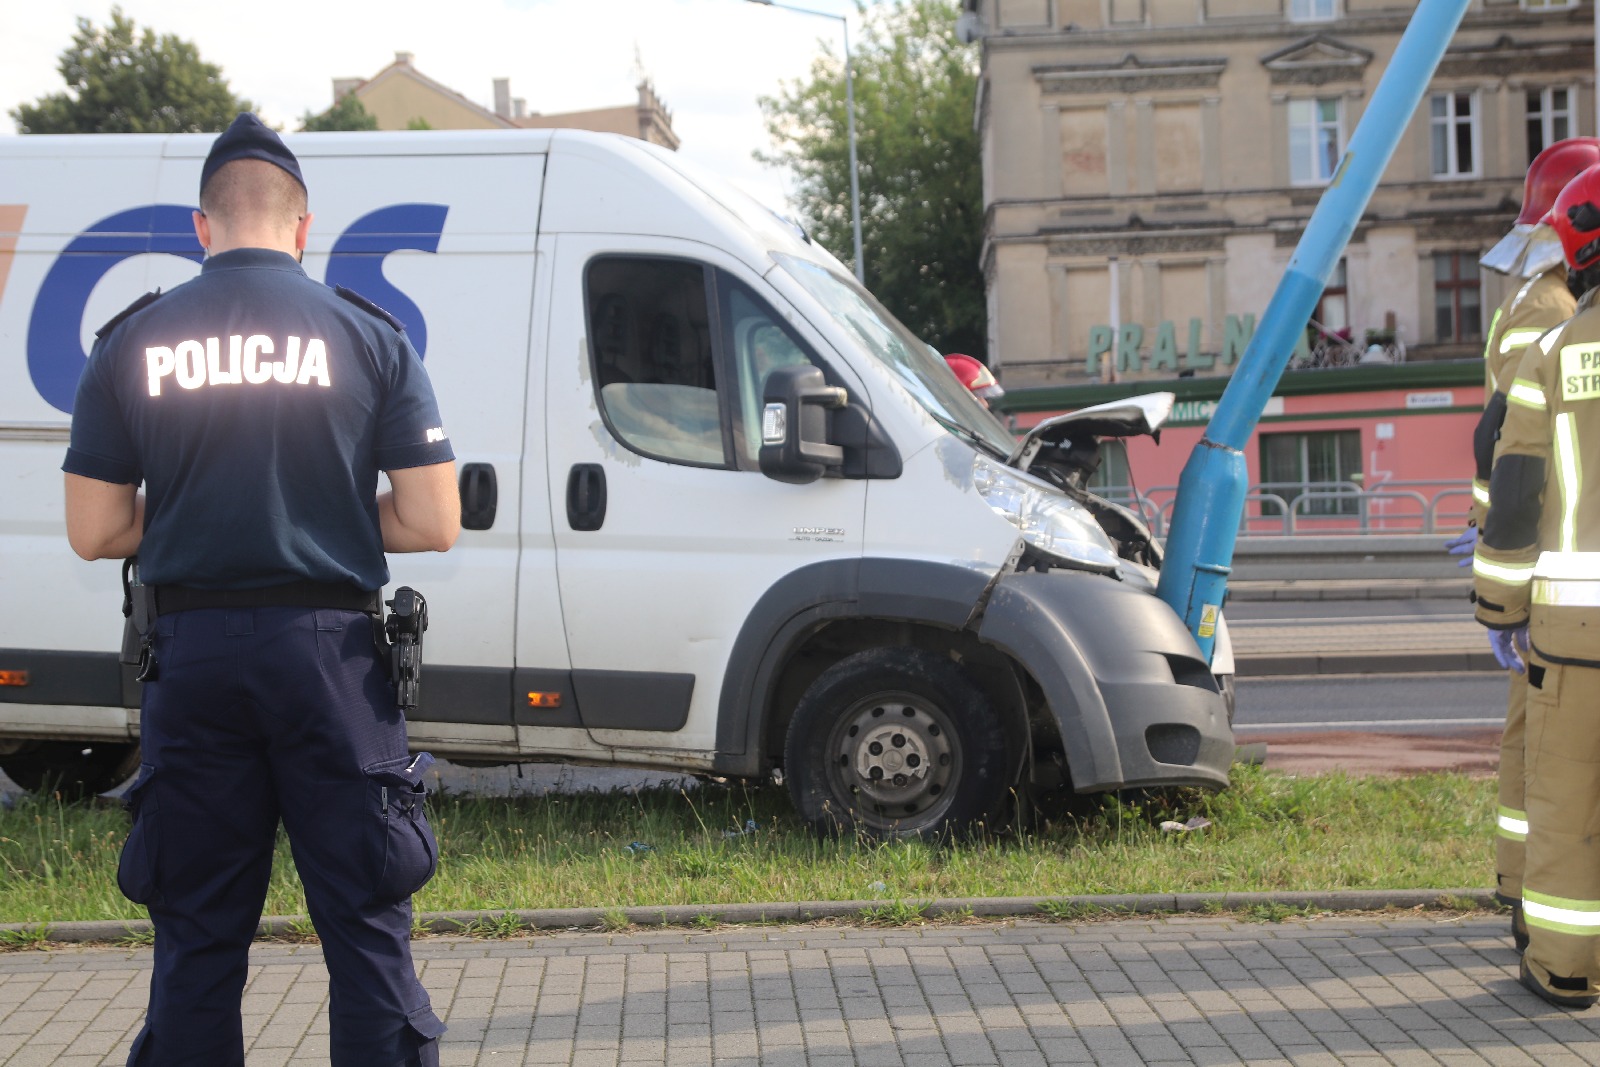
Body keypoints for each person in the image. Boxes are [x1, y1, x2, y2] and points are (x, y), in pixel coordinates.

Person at [61, 113, 461, 1064]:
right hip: (332, 664)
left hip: (190, 662)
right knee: (366, 930)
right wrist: (318, 508)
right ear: (303, 225)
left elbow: (96, 530)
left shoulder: (134, 341)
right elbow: (433, 519)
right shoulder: (370, 336)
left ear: (202, 228)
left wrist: (206, 514)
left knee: (197, 940)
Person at [1456, 137, 1600, 955]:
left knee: (1559, 771)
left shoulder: (1549, 324)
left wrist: (1497, 599)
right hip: (1556, 588)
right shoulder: (1548, 311)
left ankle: (1558, 952)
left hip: (1562, 602)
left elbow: (1503, 455)